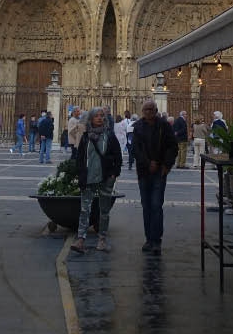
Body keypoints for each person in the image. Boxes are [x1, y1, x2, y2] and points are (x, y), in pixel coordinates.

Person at [71, 107, 122, 254]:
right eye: (96, 116)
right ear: (91, 119)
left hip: (105, 177)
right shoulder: (86, 137)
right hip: (88, 177)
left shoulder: (110, 136)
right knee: (84, 209)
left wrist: (114, 174)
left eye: (102, 116)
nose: (100, 118)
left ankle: (102, 240)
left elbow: (117, 157)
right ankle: (80, 239)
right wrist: (81, 175)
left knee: (104, 211)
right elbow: (80, 158)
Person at [131, 98, 177, 253]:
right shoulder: (137, 127)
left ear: (156, 111)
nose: (149, 112)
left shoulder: (164, 126)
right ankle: (148, 239)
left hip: (160, 171)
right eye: (146, 110)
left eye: (151, 109)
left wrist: (166, 165)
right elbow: (136, 149)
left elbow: (172, 146)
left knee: (156, 205)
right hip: (144, 171)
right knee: (146, 206)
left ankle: (156, 240)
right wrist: (147, 162)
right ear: (142, 112)